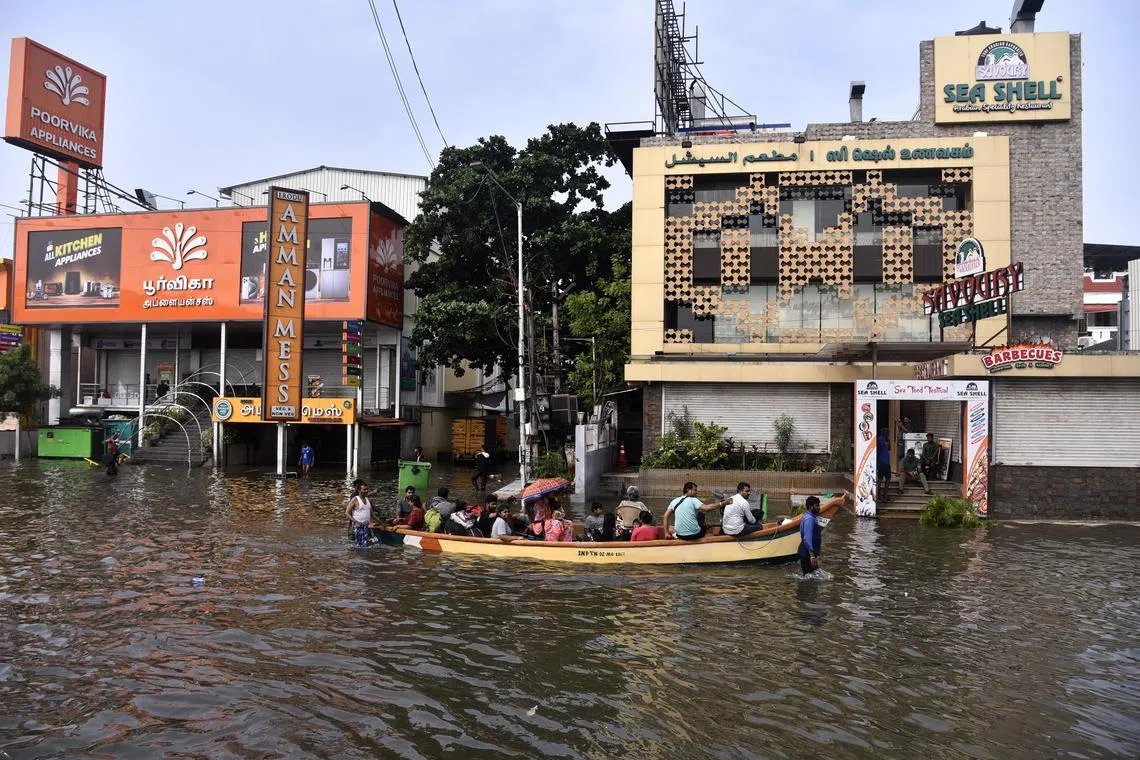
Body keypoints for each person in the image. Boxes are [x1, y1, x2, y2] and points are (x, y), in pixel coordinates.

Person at [662, 482, 731, 541]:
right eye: (695, 490)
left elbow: (665, 516)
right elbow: (707, 508)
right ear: (689, 490)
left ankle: (676, 535)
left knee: (671, 528)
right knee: (701, 514)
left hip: (680, 535)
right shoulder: (693, 500)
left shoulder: (674, 501)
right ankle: (706, 534)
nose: (696, 492)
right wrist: (723, 503)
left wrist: (666, 533)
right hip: (694, 535)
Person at [798, 495, 822, 576]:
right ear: (811, 507)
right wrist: (812, 556)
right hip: (807, 551)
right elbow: (807, 538)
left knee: (809, 576)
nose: (819, 508)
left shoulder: (809, 517)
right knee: (810, 579)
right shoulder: (809, 519)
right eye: (817, 506)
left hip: (806, 550)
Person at [345, 480, 373, 547]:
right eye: (364, 489)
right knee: (356, 545)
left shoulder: (367, 499)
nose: (367, 491)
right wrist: (356, 522)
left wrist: (381, 523)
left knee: (365, 545)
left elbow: (372, 514)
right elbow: (347, 513)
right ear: (359, 490)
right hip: (357, 526)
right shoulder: (354, 498)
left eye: (367, 489)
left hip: (366, 526)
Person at [876, 428, 892, 503]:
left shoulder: (887, 440)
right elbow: (878, 451)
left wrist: (888, 443)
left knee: (888, 479)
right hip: (881, 462)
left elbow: (889, 449)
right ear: (883, 433)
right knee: (879, 480)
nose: (888, 433)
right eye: (886, 432)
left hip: (887, 463)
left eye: (888, 432)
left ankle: (885, 496)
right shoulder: (879, 440)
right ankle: (879, 495)